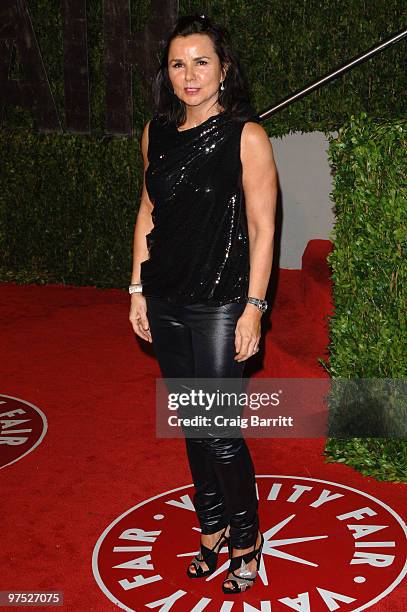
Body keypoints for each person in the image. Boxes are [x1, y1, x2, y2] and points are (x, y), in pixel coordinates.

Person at [129, 13, 277, 595]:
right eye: (177, 63)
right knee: (191, 425)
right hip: (163, 296)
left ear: (224, 69)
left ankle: (247, 537)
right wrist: (137, 288)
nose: (189, 74)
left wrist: (255, 307)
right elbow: (148, 212)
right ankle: (210, 525)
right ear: (166, 74)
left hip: (220, 302)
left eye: (201, 61)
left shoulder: (248, 137)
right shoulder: (155, 133)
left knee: (217, 429)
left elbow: (265, 231)